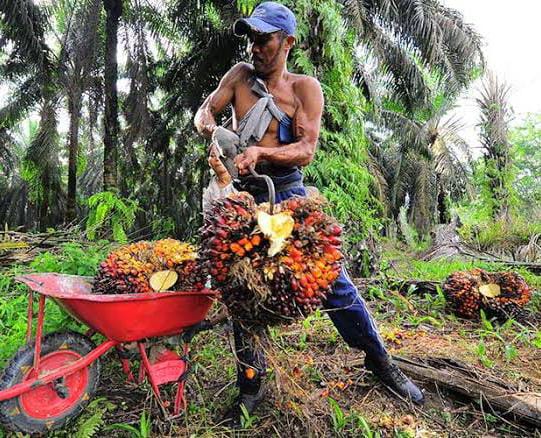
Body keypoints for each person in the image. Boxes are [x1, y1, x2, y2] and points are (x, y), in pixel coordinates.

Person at [194, 1, 424, 426]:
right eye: (250, 38)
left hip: (288, 194)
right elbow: (205, 110)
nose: (255, 47)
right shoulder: (239, 78)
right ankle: (251, 383)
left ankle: (380, 362)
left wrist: (262, 151)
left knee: (333, 285)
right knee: (240, 289)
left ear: (287, 42)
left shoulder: (304, 89)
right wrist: (212, 129)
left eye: (263, 39)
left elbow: (306, 149)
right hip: (243, 197)